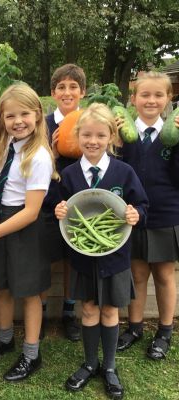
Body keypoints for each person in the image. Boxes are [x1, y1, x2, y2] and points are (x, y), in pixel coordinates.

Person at [55, 103, 148, 399]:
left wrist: (137, 215)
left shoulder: (124, 171)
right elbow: (61, 208)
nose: (93, 141)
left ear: (112, 138)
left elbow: (142, 205)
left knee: (110, 310)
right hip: (83, 255)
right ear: (77, 136)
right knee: (90, 308)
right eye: (86, 135)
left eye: (100, 135)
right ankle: (89, 363)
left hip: (115, 255)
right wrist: (58, 209)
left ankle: (109, 366)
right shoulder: (69, 175)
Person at [0, 83, 57, 382]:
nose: (17, 121)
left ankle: (32, 354)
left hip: (22, 227)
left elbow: (31, 210)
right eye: (10, 116)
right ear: (2, 120)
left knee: (29, 292)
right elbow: (12, 179)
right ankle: (5, 339)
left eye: (24, 114)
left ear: (37, 115)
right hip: (2, 218)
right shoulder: (10, 144)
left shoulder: (39, 157)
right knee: (1, 286)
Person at [116, 71, 179, 360]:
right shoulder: (124, 134)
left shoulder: (173, 135)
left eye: (158, 95)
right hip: (134, 214)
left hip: (167, 212)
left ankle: (165, 331)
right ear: (133, 100)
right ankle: (135, 327)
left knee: (165, 275)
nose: (151, 100)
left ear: (169, 99)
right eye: (145, 94)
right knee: (138, 273)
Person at [40, 64, 86, 341]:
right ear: (53, 92)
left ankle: (69, 312)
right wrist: (54, 153)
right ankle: (41, 312)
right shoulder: (43, 124)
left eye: (73, 87)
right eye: (61, 87)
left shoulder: (90, 121)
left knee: (73, 260)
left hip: (80, 199)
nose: (67, 92)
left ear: (82, 92)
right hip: (49, 199)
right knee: (46, 257)